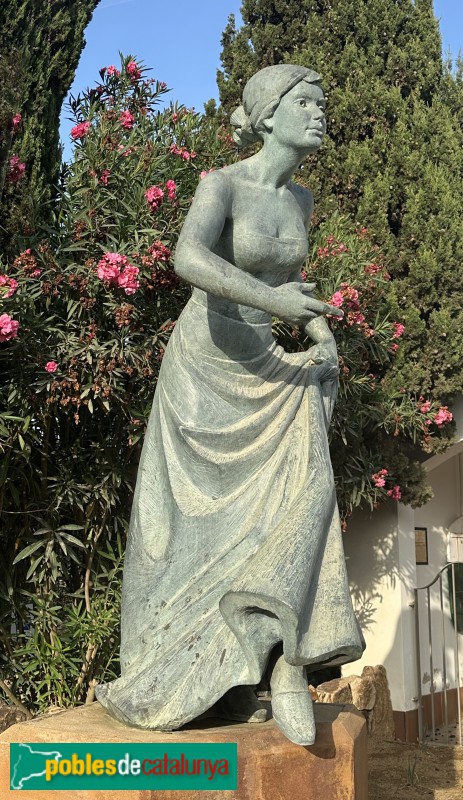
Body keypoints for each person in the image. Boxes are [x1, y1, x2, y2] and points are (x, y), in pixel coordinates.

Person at [95, 64, 364, 747]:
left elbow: (292, 280)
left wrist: (320, 333)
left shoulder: (299, 199)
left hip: (265, 361)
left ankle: (282, 664)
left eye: (321, 102)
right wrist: (278, 303)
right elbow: (187, 258)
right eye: (306, 101)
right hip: (204, 372)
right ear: (268, 115)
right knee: (195, 538)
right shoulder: (222, 184)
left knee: (307, 492)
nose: (319, 112)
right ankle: (186, 676)